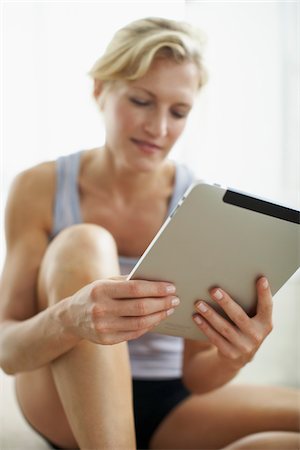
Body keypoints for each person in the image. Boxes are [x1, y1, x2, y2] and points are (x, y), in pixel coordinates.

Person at [0, 17, 299, 450]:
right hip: (61, 395)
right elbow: (7, 350)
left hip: (171, 401)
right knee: (84, 241)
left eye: (178, 112)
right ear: (100, 90)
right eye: (142, 101)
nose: (159, 129)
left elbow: (197, 376)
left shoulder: (199, 205)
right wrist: (71, 316)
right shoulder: (40, 187)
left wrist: (239, 353)